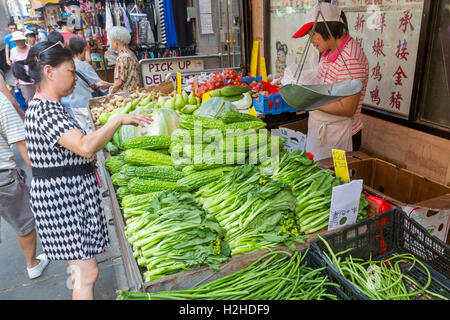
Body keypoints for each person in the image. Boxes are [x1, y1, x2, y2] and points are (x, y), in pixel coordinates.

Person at [13, 41, 152, 300]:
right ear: (49, 72)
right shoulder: (45, 110)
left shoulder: (48, 106)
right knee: (85, 274)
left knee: (81, 273)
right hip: (62, 201)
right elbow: (85, 146)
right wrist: (117, 120)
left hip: (65, 198)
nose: (76, 78)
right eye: (71, 71)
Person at [291, 2, 369, 160]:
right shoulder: (327, 52)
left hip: (341, 136)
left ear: (327, 28)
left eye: (313, 34)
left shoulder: (350, 57)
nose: (311, 40)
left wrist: (308, 101)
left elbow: (348, 108)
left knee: (335, 182)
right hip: (324, 133)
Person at [0, 90, 50, 280]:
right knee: (24, 223)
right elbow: (24, 147)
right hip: (3, 179)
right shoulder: (2, 103)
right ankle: (32, 265)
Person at [66, 36, 112, 133]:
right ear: (82, 50)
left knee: (84, 130)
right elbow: (100, 84)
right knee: (94, 130)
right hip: (86, 103)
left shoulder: (66, 65)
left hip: (74, 104)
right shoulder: (84, 65)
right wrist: (113, 84)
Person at [108, 26, 142, 94]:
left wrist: (111, 91)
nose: (110, 43)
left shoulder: (121, 57)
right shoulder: (130, 53)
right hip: (136, 92)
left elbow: (118, 83)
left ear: (116, 43)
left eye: (111, 40)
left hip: (126, 95)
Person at [10, 32, 36, 104]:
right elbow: (14, 66)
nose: (19, 42)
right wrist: (16, 79)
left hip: (35, 77)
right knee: (29, 100)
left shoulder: (31, 48)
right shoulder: (13, 51)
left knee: (39, 97)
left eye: (21, 40)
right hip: (23, 80)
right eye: (17, 41)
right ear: (15, 41)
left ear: (24, 40)